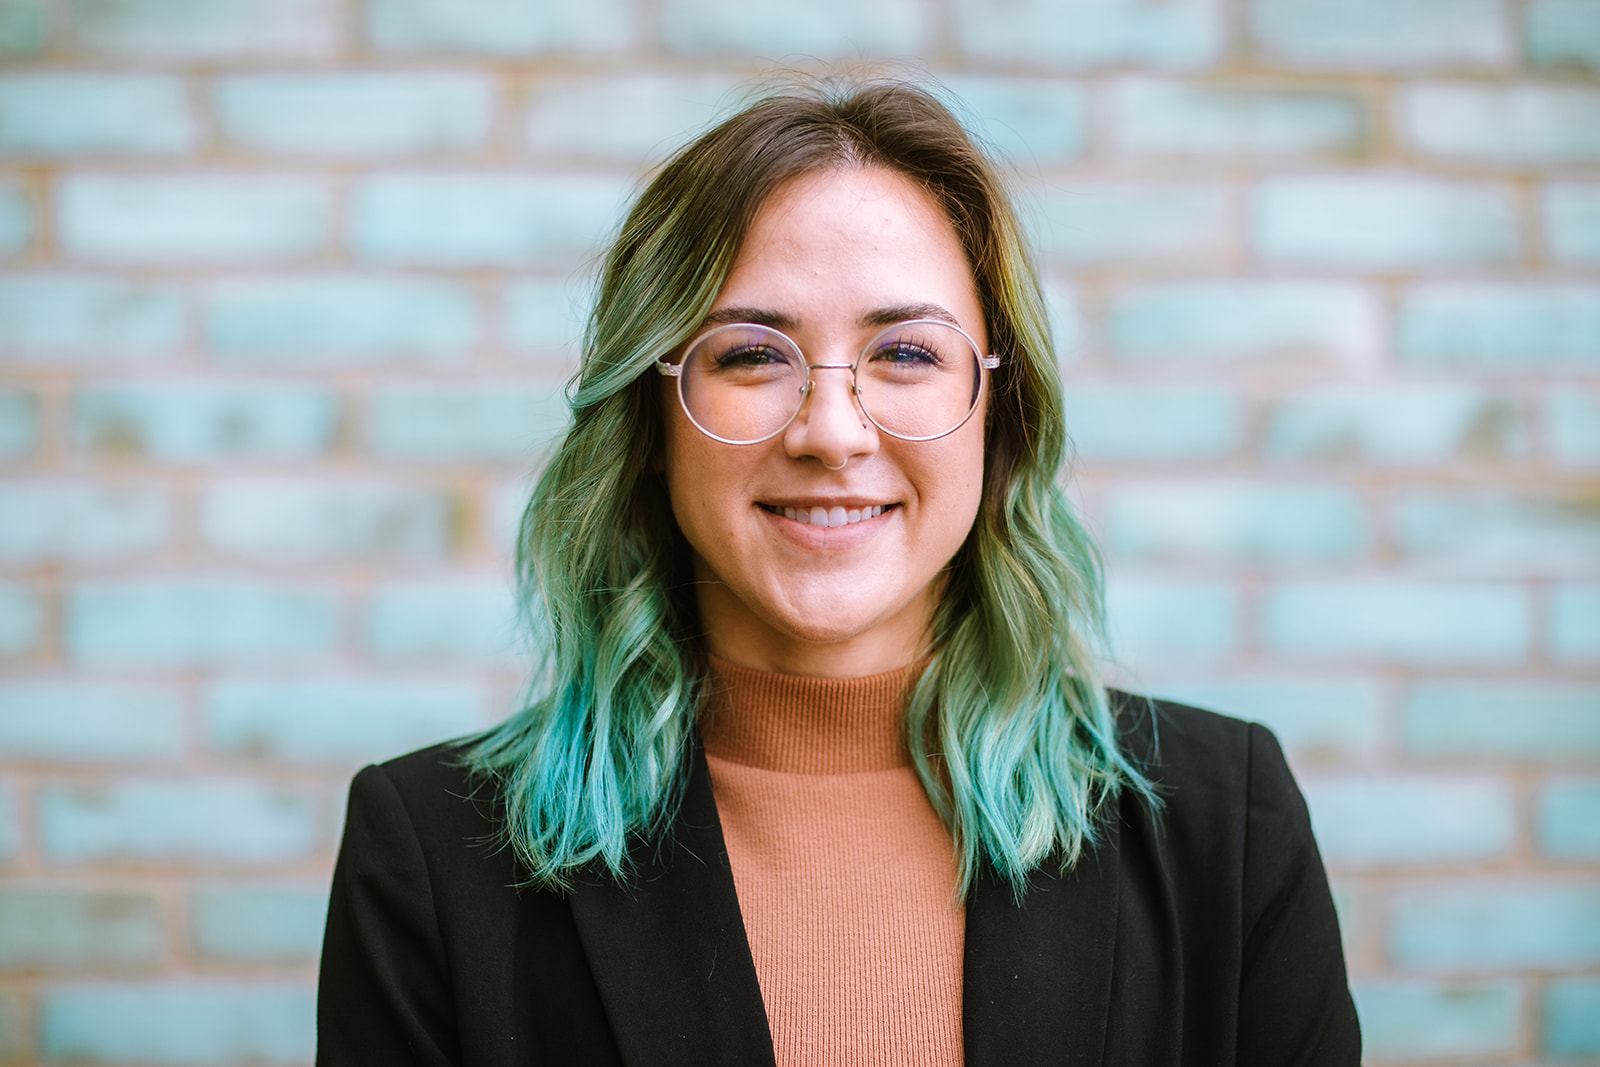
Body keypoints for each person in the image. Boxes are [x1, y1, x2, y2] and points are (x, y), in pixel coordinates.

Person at [317, 78, 1360, 1066]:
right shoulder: (432, 850)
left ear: (998, 414)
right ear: (651, 414)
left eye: (906, 353)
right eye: (751, 353)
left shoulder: (1224, 825)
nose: (830, 430)